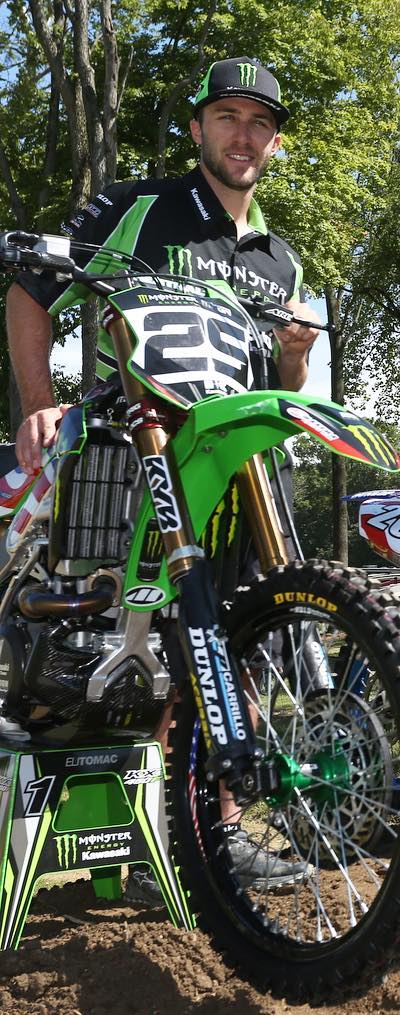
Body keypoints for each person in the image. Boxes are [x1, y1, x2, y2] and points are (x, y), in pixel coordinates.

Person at [4, 56, 318, 899]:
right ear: (197, 128)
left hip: (241, 469)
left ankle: (211, 834)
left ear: (275, 143)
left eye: (259, 123)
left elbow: (281, 387)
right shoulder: (136, 207)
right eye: (228, 117)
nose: (243, 135)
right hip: (133, 450)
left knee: (233, 643)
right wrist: (38, 404)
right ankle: (136, 829)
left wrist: (294, 358)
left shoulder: (281, 260)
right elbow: (31, 290)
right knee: (123, 642)